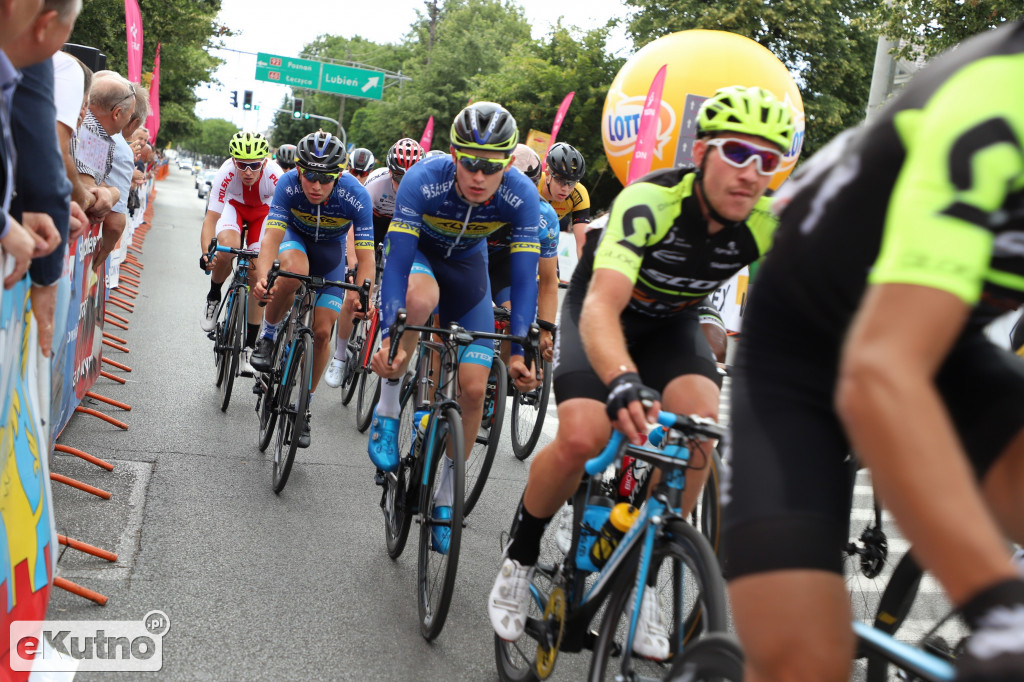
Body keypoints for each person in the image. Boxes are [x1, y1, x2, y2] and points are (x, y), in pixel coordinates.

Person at [724, 22, 1024, 682]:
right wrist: (999, 605)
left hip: (945, 345)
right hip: (805, 349)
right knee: (807, 663)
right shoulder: (999, 97)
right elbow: (880, 372)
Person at [488, 85, 796, 660]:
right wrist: (624, 379)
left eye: (769, 159)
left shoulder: (764, 222)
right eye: (736, 152)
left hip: (671, 325)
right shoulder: (652, 201)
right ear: (701, 152)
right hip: (602, 314)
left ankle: (648, 580)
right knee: (585, 433)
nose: (751, 172)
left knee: (698, 428)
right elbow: (604, 306)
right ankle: (520, 555)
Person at [367, 102, 541, 552]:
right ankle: (387, 409)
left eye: (491, 166)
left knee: (473, 389)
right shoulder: (426, 179)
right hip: (421, 258)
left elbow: (525, 278)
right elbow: (399, 261)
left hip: (469, 273)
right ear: (452, 153)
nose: (479, 176)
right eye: (469, 162)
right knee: (421, 300)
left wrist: (520, 352)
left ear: (507, 163)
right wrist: (391, 334)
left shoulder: (522, 196)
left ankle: (446, 497)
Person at [250, 131, 374, 448]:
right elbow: (271, 239)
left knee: (322, 332)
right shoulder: (288, 185)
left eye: (325, 178)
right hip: (296, 242)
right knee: (293, 271)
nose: (316, 186)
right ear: (300, 171)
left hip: (330, 256)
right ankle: (268, 335)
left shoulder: (356, 195)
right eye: (310, 177)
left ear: (339, 174)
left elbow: (365, 257)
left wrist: (363, 296)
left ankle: (304, 406)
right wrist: (264, 278)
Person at [323, 138, 423, 388]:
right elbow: (353, 229)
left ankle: (385, 334)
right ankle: (340, 356)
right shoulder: (375, 185)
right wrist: (354, 263)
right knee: (353, 293)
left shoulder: (425, 190)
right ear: (390, 171)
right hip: (373, 223)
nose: (403, 184)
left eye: (409, 178)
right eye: (398, 177)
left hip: (402, 227)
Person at [199, 131, 282, 376]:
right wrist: (206, 253)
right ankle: (214, 297)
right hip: (233, 209)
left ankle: (248, 348)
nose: (247, 171)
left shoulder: (276, 176)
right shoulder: (225, 172)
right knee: (226, 249)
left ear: (264, 162)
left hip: (262, 215)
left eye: (254, 165)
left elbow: (280, 224)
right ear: (233, 161)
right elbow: (211, 218)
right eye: (242, 164)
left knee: (258, 273)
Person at [489, 143, 559, 363]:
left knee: (515, 318)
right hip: (470, 259)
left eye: (525, 189)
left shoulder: (544, 218)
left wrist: (546, 333)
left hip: (505, 267)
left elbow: (548, 282)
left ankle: (498, 379)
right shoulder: (479, 199)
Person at [537, 142, 590, 259]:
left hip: (546, 243)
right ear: (547, 174)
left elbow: (582, 245)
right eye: (560, 180)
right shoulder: (533, 184)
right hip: (519, 236)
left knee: (553, 277)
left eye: (572, 183)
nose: (566, 188)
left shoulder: (579, 194)